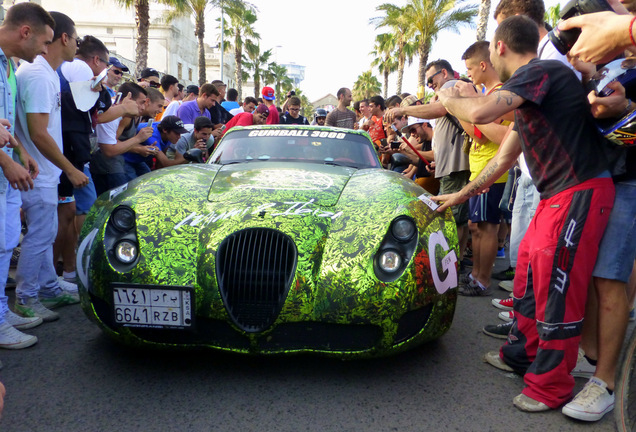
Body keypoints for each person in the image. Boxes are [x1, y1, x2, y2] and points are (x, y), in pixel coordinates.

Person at [433, 15, 615, 413]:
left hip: (577, 192)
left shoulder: (542, 71)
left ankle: (551, 386)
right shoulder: (532, 93)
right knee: (528, 275)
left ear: (499, 47)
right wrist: (458, 197)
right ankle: (521, 355)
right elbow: (502, 159)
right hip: (556, 197)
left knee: (556, 289)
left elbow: (479, 112)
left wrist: (448, 94)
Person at [13, 11, 84, 326]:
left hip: (40, 171)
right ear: (64, 39)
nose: (77, 47)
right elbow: (38, 132)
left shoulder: (44, 72)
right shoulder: (40, 74)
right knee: (39, 236)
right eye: (76, 40)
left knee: (43, 235)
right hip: (37, 173)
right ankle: (27, 299)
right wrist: (69, 169)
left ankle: (49, 288)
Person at [0, 2, 52, 349]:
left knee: (5, 245)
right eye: (45, 42)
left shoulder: (7, 66)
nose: (46, 50)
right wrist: (7, 161)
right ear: (25, 32)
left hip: (7, 171)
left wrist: (18, 150)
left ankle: (2, 313)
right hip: (3, 170)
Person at [385, 61, 471, 267]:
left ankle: (453, 265)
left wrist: (402, 110)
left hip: (455, 167)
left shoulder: (450, 86)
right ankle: (453, 263)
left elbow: (439, 110)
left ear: (444, 73)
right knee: (454, 218)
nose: (430, 85)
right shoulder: (447, 90)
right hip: (450, 166)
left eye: (431, 80)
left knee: (454, 219)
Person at [457, 41, 510, 296]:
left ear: (482, 65)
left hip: (494, 172)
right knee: (476, 227)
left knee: (487, 227)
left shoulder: (499, 92)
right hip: (480, 170)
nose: (468, 75)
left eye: (469, 69)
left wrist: (459, 108)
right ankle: (475, 274)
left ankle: (482, 279)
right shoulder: (487, 95)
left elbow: (479, 135)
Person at [91, 82, 155, 196]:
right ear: (129, 98)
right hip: (104, 167)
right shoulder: (111, 111)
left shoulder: (125, 114)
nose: (143, 107)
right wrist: (138, 139)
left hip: (112, 164)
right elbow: (109, 150)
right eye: (141, 102)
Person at [124, 115, 189, 179]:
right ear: (165, 130)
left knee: (149, 179)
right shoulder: (152, 136)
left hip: (138, 160)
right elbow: (166, 163)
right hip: (125, 158)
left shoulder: (168, 133)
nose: (179, 136)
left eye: (180, 133)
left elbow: (161, 161)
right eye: (177, 133)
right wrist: (190, 156)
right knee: (133, 182)